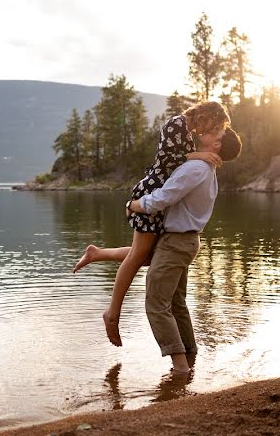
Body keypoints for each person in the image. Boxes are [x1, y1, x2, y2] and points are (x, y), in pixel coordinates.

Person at [74, 101, 230, 347]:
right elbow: (169, 159)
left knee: (148, 255)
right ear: (206, 116)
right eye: (216, 125)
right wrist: (200, 154)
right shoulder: (176, 124)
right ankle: (112, 313)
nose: (215, 130)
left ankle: (97, 253)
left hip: (159, 197)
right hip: (152, 191)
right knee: (138, 256)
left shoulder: (187, 131)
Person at [129, 126, 242, 373]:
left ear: (217, 145)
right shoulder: (205, 167)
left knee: (156, 304)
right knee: (177, 302)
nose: (205, 131)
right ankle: (190, 355)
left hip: (176, 243)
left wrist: (134, 204)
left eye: (215, 132)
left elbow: (163, 197)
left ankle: (180, 369)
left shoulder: (196, 168)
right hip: (186, 241)